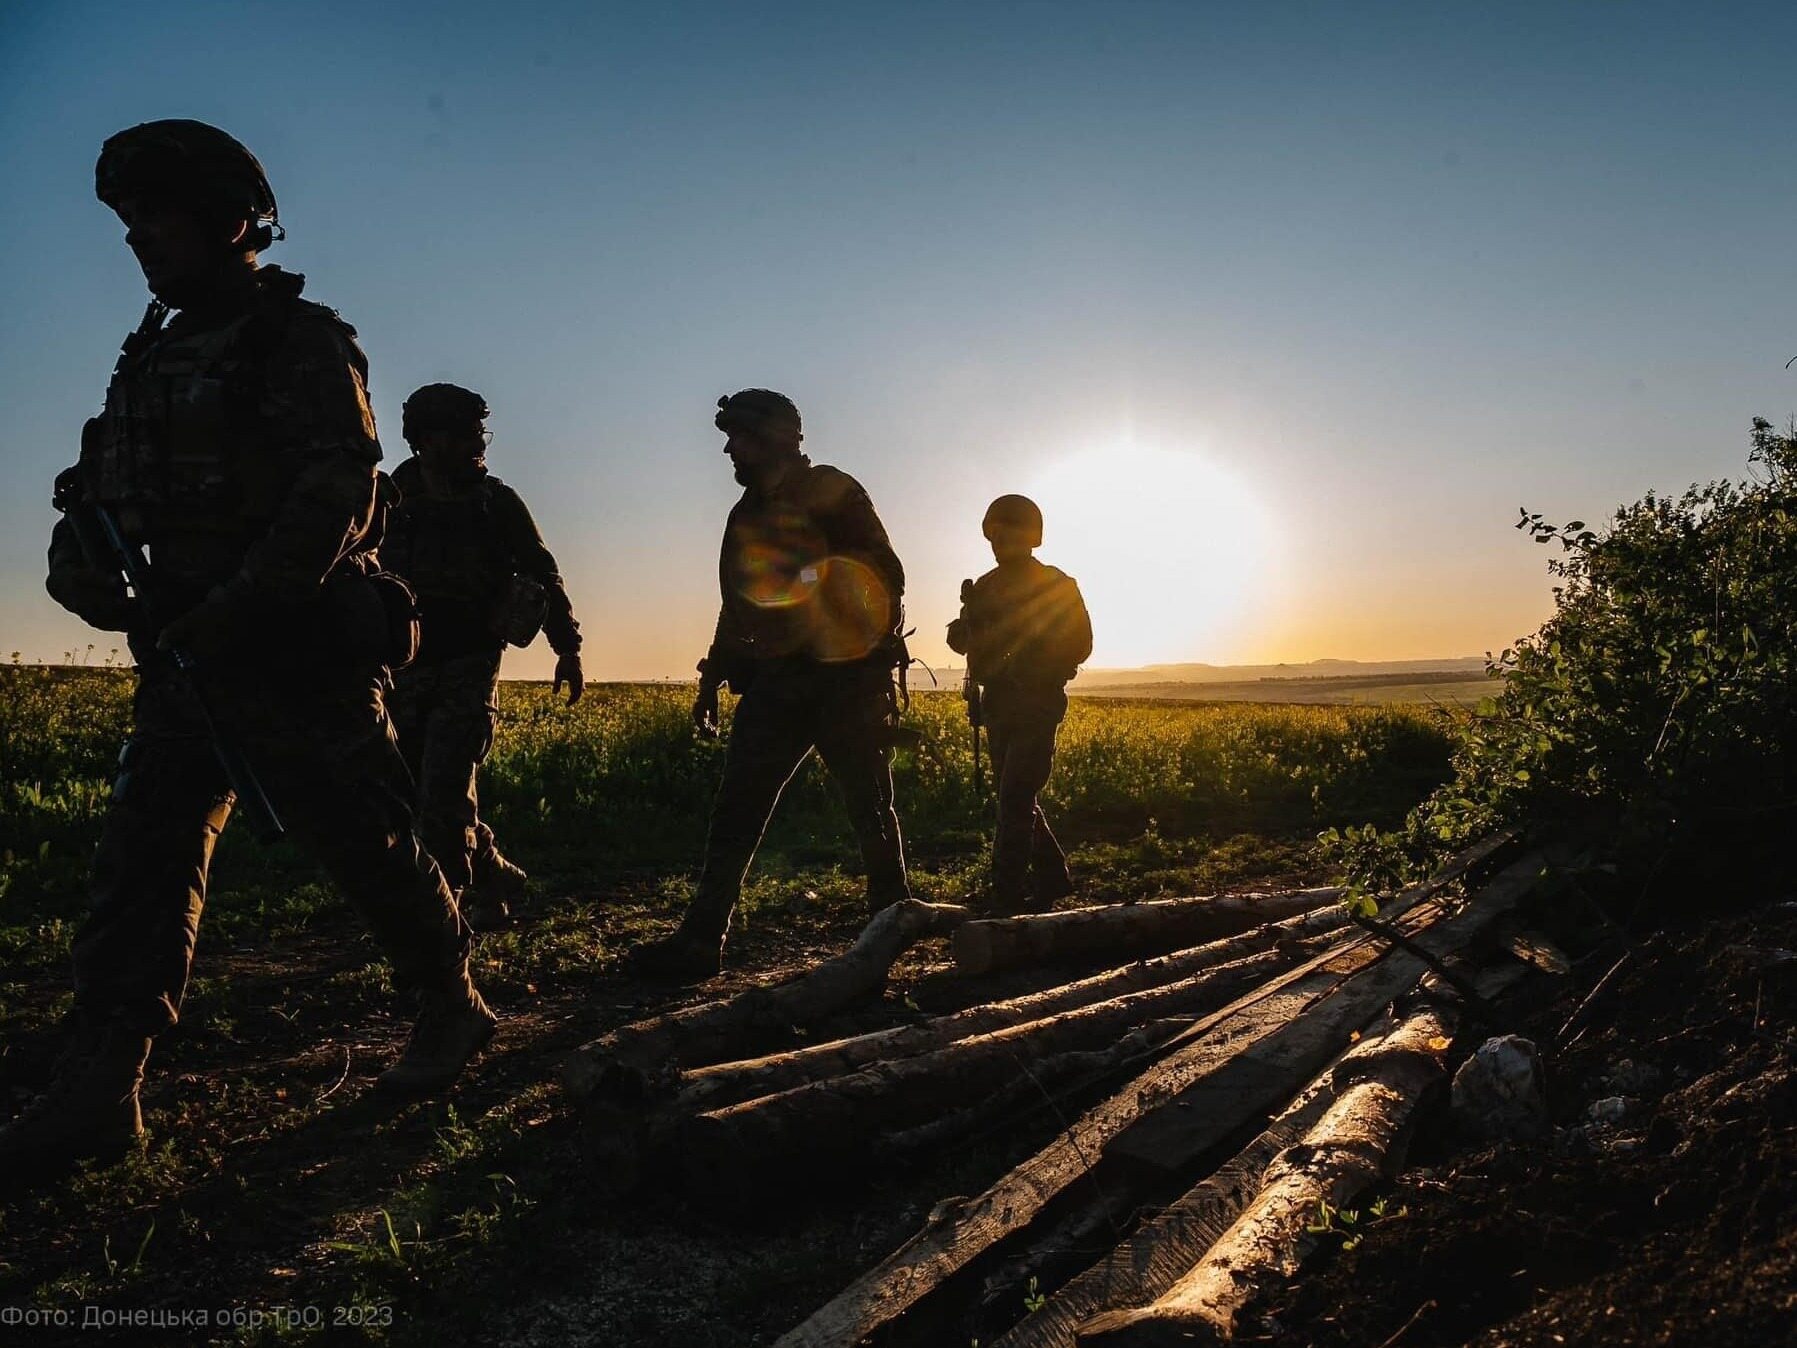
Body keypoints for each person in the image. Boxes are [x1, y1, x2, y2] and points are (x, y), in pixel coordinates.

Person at [1, 120, 495, 1184]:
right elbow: (96, 485)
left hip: (294, 651)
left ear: (232, 222)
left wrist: (235, 607)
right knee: (142, 858)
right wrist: (80, 570)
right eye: (129, 228)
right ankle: (106, 1075)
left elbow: (339, 491)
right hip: (184, 656)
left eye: (159, 221)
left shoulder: (299, 341)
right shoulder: (151, 352)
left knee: (362, 840)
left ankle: (450, 1000)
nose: (141, 244)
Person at [628, 389, 912, 979]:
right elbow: (738, 602)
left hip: (847, 684)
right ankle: (703, 940)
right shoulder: (745, 515)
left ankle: (894, 929)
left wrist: (805, 580)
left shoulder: (835, 490)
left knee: (871, 810)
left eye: (741, 437)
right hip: (777, 683)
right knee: (736, 809)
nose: (730, 449)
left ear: (777, 438)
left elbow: (886, 574)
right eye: (728, 438)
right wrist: (711, 674)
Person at [380, 383, 584, 928]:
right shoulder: (389, 497)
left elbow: (544, 573)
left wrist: (567, 648)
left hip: (470, 664)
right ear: (427, 438)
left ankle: (443, 922)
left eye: (480, 431)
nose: (479, 442)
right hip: (402, 669)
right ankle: (491, 870)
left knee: (444, 793)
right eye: (467, 431)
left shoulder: (497, 502)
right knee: (408, 792)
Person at [946, 494, 1093, 913]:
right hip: (997, 704)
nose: (998, 541)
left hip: (1037, 702)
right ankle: (1052, 876)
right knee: (1015, 796)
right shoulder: (986, 586)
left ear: (1029, 536)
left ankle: (1005, 893)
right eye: (993, 533)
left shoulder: (1055, 585)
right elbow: (962, 640)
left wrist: (1029, 653)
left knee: (1015, 797)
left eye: (1006, 532)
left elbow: (1080, 644)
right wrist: (968, 629)